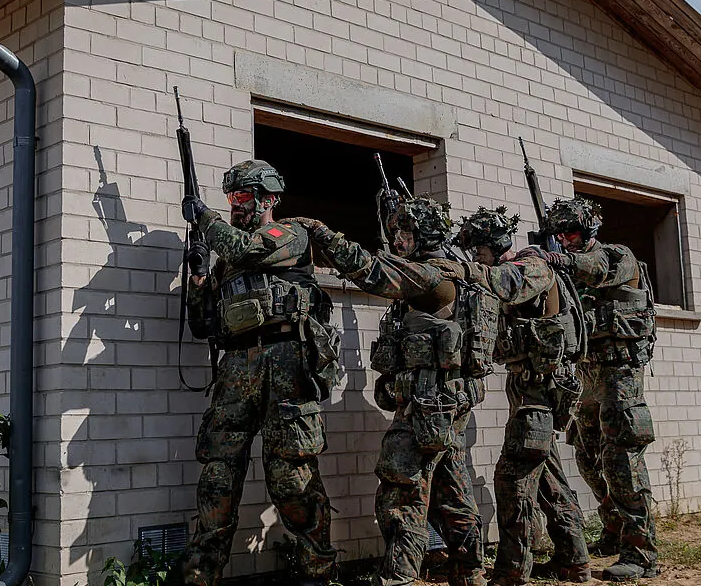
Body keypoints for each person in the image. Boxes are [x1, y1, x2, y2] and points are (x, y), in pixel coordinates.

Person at [291, 197, 551, 586]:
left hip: (429, 404)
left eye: (404, 233)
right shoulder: (458, 278)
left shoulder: (434, 277)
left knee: (400, 491)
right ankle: (470, 570)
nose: (397, 240)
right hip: (444, 404)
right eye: (395, 233)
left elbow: (372, 271)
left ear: (425, 236)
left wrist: (321, 233)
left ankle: (399, 578)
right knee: (450, 489)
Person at [179, 159, 340, 586]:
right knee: (218, 475)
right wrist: (197, 279)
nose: (234, 205)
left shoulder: (287, 235)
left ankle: (315, 573)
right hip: (236, 369)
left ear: (267, 200)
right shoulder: (225, 262)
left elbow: (246, 248)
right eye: (231, 198)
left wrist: (205, 219)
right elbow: (203, 324)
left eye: (243, 197)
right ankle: (201, 574)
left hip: (286, 363)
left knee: (292, 477)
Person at [453, 207, 591, 585]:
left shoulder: (532, 265)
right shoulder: (508, 268)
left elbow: (509, 284)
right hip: (529, 390)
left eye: (477, 252)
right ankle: (574, 561)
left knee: (512, 479)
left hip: (540, 393)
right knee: (547, 477)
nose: (474, 259)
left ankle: (513, 571)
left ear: (493, 247)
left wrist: (467, 273)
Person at [541, 197, 659, 581]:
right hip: (588, 375)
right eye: (560, 234)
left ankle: (641, 553)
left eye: (572, 231)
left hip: (620, 374)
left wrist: (564, 261)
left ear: (589, 229)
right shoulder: (569, 269)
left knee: (622, 459)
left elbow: (598, 269)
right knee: (588, 454)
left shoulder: (614, 256)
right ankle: (613, 529)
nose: (566, 240)